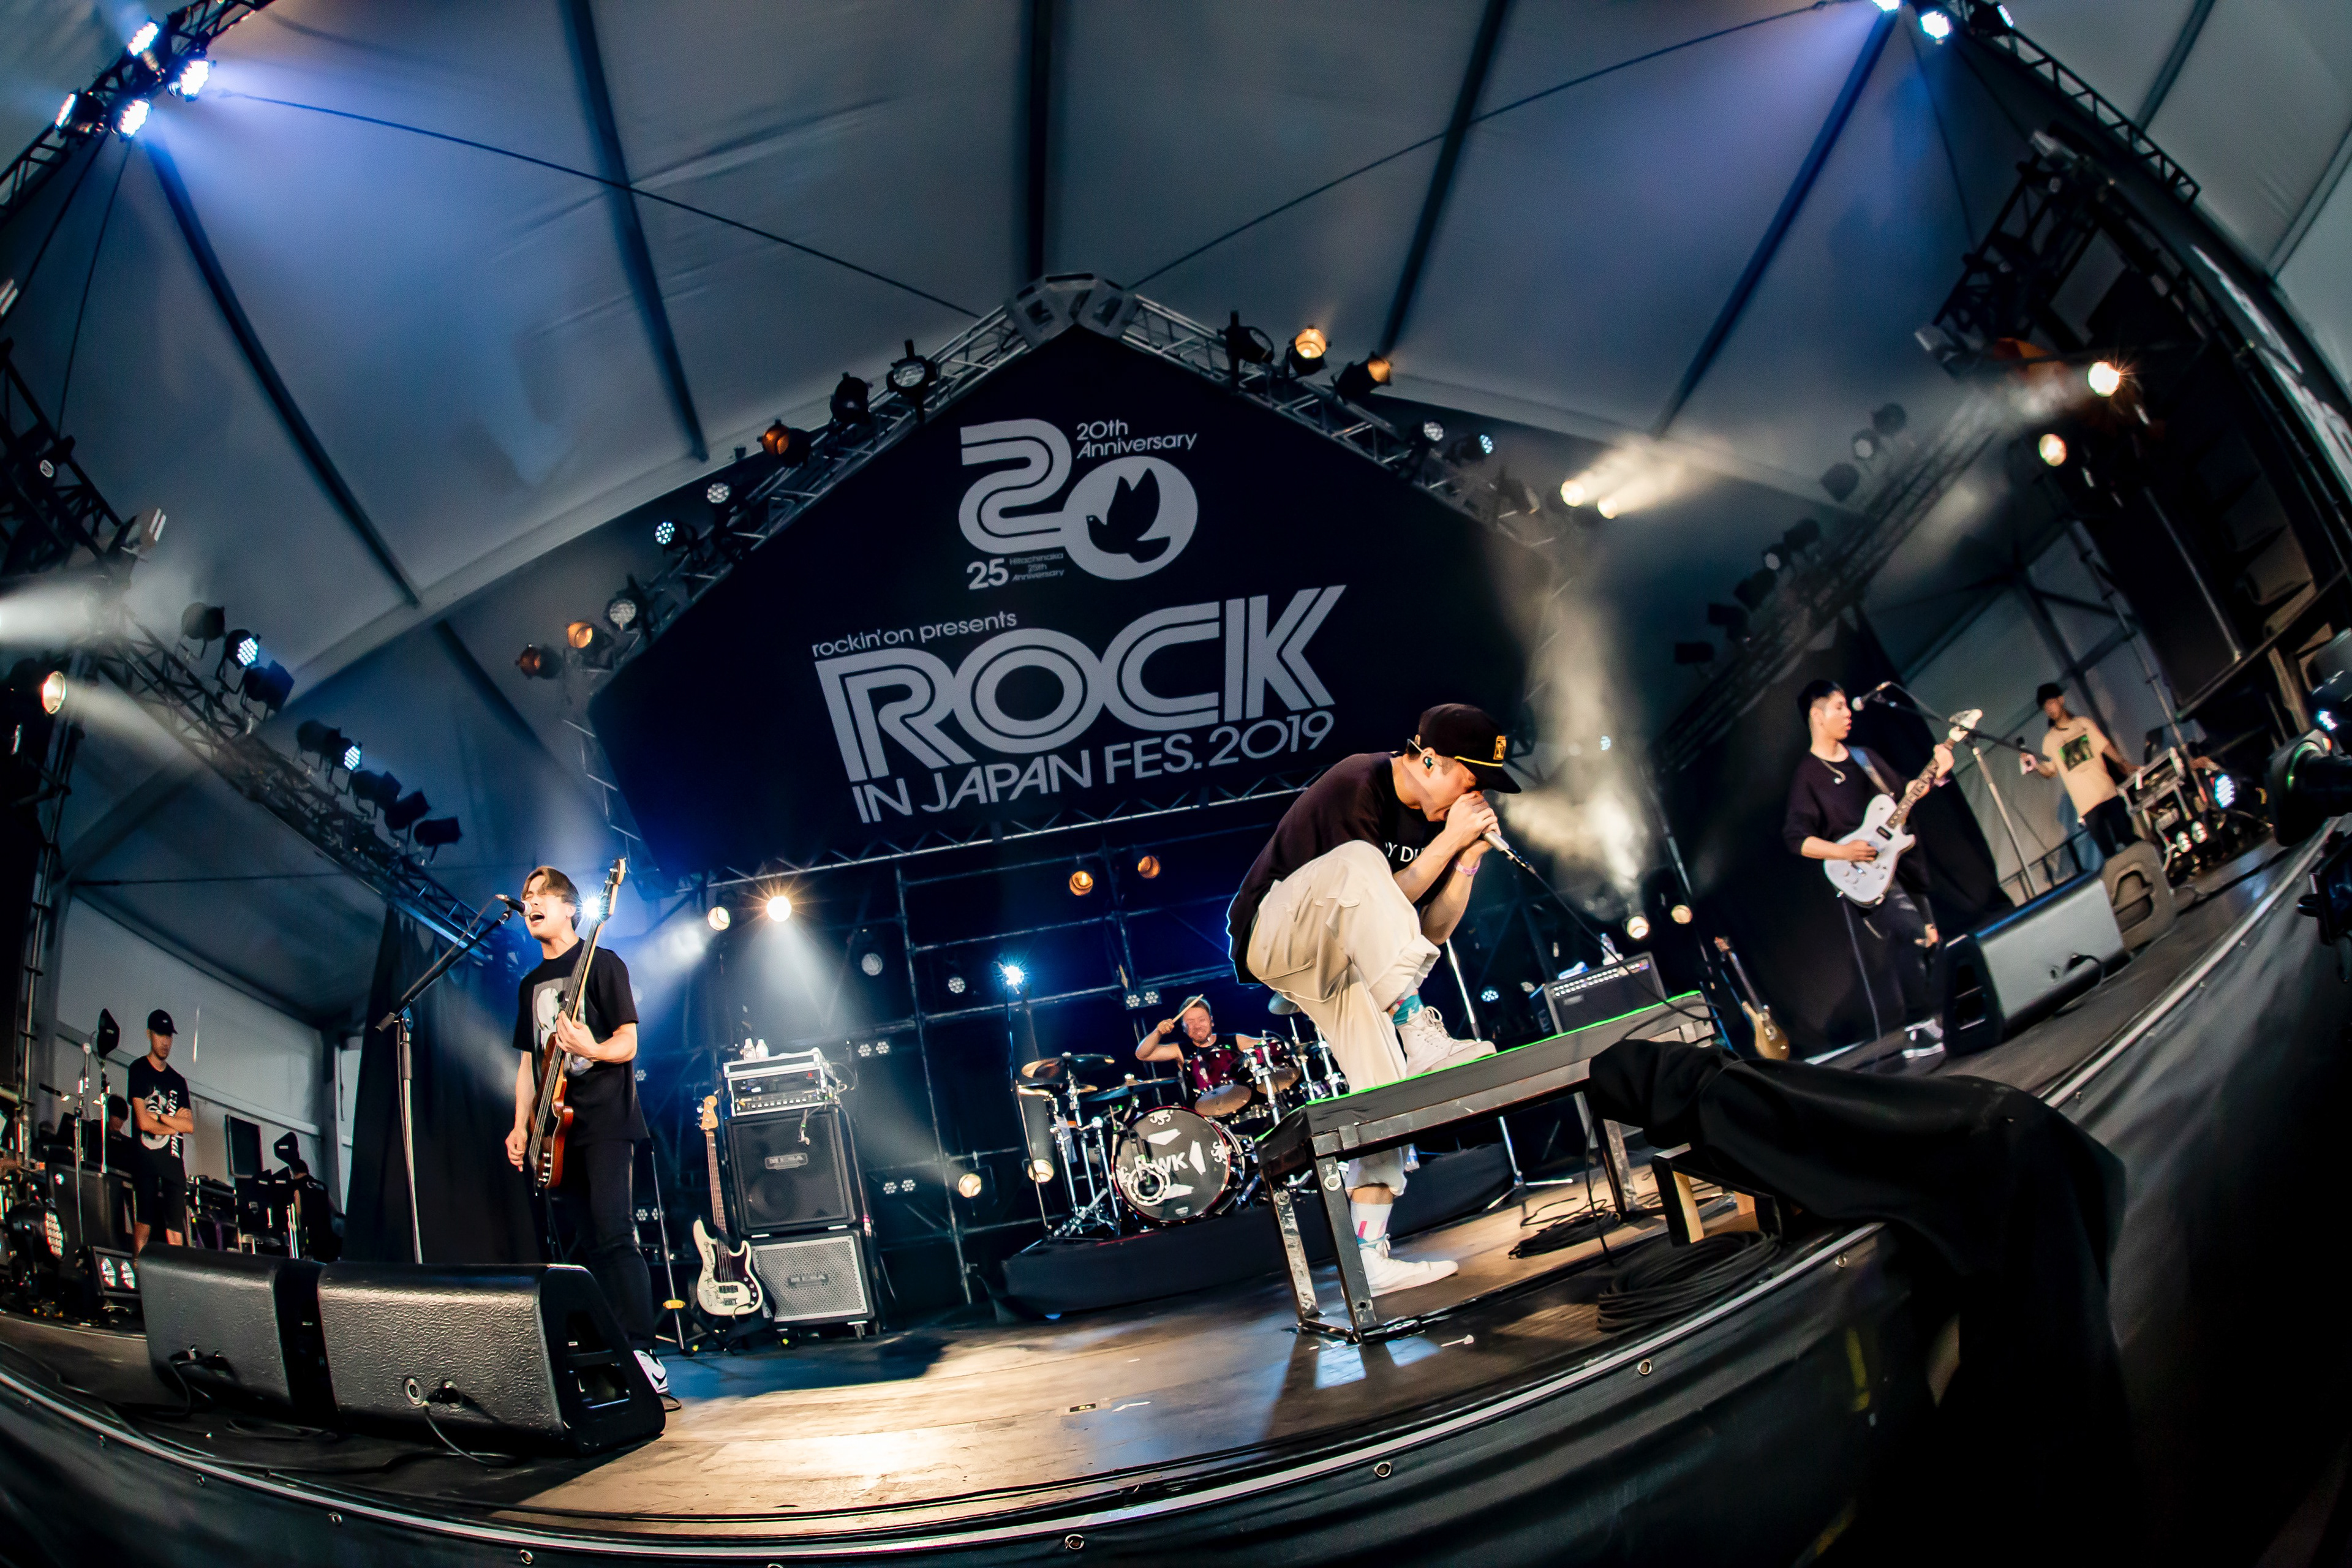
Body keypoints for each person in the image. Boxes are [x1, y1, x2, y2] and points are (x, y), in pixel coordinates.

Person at [1227, 703, 1510, 1297]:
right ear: (1430, 761)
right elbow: (1367, 890)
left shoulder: (1433, 825)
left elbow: (1425, 931)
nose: (1476, 796)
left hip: (1342, 958)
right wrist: (1448, 841)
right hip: (1273, 933)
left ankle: (1370, 1254)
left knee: (1387, 1096)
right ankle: (1418, 1029)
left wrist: (1464, 860)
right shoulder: (1358, 782)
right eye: (1470, 779)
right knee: (1362, 863)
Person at [504, 866, 665, 1396]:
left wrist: (591, 1049)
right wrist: (520, 1125)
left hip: (607, 1119)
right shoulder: (530, 985)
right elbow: (528, 1063)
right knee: (584, 1244)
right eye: (526, 897)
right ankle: (605, 1352)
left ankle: (643, 1352)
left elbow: (628, 1041)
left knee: (614, 1230)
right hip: (556, 1130)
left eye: (541, 895)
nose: (531, 903)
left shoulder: (602, 962)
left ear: (571, 907)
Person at [1784, 681, 1953, 1045]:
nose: (1848, 714)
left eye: (1848, 706)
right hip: (1863, 876)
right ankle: (1919, 1025)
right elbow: (1797, 839)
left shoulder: (1865, 758)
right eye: (1839, 707)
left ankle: (1928, 1022)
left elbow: (1904, 795)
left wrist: (1936, 772)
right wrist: (1844, 851)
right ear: (1817, 715)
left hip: (1901, 863)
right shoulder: (1809, 775)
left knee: (1929, 939)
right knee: (1914, 933)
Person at [2021, 682, 2139, 857]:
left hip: (2107, 792)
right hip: (2086, 805)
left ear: (2061, 700)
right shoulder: (2050, 740)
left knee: (2127, 837)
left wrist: (2124, 763)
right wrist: (2036, 766)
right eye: (2045, 707)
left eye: (2051, 703)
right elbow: (2050, 771)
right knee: (2109, 852)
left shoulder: (2083, 724)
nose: (2049, 709)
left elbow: (2104, 746)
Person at [126, 1010, 194, 1254]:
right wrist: (174, 1124)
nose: (165, 1042)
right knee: (144, 1224)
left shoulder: (178, 1081)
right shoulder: (138, 1069)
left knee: (176, 1232)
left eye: (169, 1036)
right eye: (160, 1035)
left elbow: (189, 1127)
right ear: (149, 1034)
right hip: (146, 1160)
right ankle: (138, 1272)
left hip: (173, 1163)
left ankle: (176, 1278)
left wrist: (161, 1117)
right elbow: (143, 1122)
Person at [1134, 997, 1259, 1063]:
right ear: (1183, 1028)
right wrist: (1158, 1032)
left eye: (1201, 1020)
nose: (1197, 1026)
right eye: (1190, 1022)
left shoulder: (1235, 1040)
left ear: (1211, 1021)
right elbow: (1142, 1055)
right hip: (1201, 1105)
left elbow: (1264, 1045)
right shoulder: (1179, 1051)